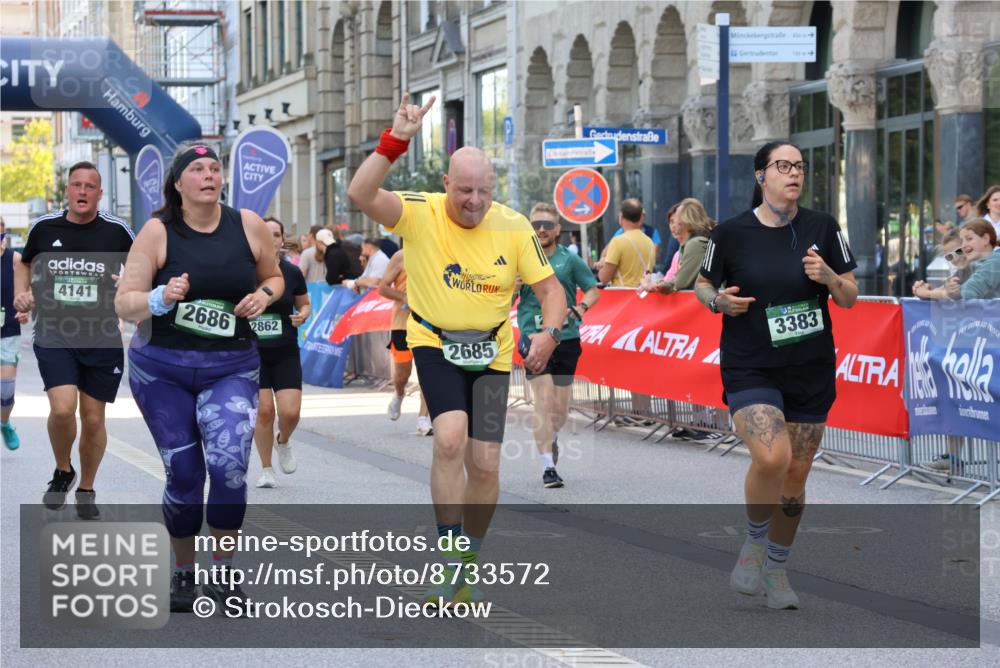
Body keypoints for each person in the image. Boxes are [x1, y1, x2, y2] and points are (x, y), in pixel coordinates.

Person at [347, 92, 565, 606]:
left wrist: (549, 334)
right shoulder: (420, 213)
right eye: (464, 190)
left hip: (490, 351)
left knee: (486, 464)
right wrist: (396, 137)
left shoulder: (512, 225)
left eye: (483, 191)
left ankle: (469, 557)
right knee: (449, 439)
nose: (474, 201)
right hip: (435, 343)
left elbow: (551, 291)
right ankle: (448, 556)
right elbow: (361, 192)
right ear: (446, 184)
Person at [115, 143, 284, 613]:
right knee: (185, 473)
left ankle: (225, 575)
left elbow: (275, 277)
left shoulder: (247, 225)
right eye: (197, 169)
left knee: (229, 467)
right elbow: (123, 301)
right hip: (162, 369)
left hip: (230, 365)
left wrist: (264, 297)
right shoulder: (157, 231)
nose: (209, 175)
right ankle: (184, 574)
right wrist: (159, 298)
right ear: (178, 183)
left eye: (215, 168)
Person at [695, 141, 858, 610]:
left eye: (800, 166)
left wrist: (828, 276)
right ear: (760, 175)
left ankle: (777, 568)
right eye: (783, 166)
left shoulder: (823, 227)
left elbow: (849, 296)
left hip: (810, 367)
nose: (794, 174)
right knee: (772, 457)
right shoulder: (729, 233)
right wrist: (716, 302)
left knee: (796, 474)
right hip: (750, 364)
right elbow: (702, 284)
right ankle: (753, 544)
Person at [13, 161, 135, 518]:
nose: (82, 191)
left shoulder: (118, 232)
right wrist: (22, 292)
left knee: (94, 420)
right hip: (55, 331)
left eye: (89, 186)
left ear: (100, 193)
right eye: (76, 185)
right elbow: (23, 260)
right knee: (63, 408)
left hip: (102, 336)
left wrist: (128, 285)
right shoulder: (44, 226)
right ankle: (63, 469)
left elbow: (145, 265)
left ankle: (86, 488)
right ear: (67, 189)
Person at [517, 202, 600, 488]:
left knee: (560, 409)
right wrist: (511, 287)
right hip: (532, 336)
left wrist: (580, 309)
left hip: (566, 337)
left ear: (557, 229)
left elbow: (592, 288)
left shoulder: (569, 259)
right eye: (536, 224)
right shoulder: (520, 257)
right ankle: (547, 466)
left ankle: (551, 438)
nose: (541, 229)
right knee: (543, 400)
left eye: (547, 225)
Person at [254, 218, 310, 488]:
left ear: (282, 239)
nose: (272, 238)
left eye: (276, 234)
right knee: (264, 411)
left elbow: (305, 304)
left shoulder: (291, 272)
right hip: (254, 352)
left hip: (286, 350)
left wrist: (302, 316)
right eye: (266, 234)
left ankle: (283, 441)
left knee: (290, 413)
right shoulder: (245, 272)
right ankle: (266, 469)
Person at [378, 249, 432, 435]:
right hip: (403, 322)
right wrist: (404, 297)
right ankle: (399, 392)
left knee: (428, 371)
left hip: (430, 323)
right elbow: (382, 288)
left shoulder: (442, 251)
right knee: (402, 374)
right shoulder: (401, 256)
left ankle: (423, 419)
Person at [644, 198, 713, 294]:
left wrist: (657, 284)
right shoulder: (692, 243)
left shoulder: (695, 243)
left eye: (677, 219)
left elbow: (679, 283)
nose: (674, 224)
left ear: (686, 221)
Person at [1, 219, 27, 450]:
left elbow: (27, 290)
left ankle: (5, 422)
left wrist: (25, 309)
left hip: (7, 331)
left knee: (5, 391)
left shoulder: (14, 260)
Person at [598, 198, 656, 287]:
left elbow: (604, 278)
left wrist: (602, 265)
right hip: (643, 297)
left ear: (621, 217)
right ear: (640, 217)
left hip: (622, 297)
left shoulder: (618, 242)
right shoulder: (650, 243)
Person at [945, 218, 1000, 299]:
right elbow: (946, 287)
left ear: (985, 239)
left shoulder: (996, 260)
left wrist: (929, 294)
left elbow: (968, 292)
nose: (963, 245)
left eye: (969, 239)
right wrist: (948, 287)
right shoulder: (973, 265)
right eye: (962, 241)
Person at [912, 229, 973, 300]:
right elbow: (943, 290)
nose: (955, 259)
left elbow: (957, 294)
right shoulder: (960, 272)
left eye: (959, 251)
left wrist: (927, 293)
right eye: (949, 256)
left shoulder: (980, 267)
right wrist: (924, 290)